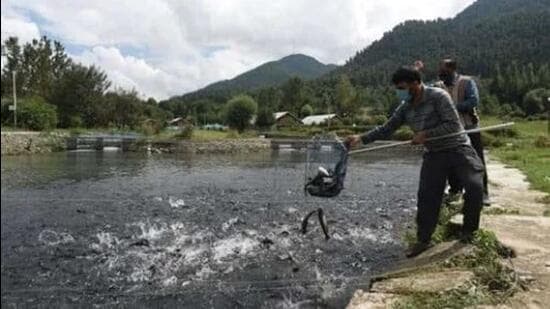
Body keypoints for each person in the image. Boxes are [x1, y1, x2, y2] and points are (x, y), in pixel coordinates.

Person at [347, 66, 484, 258]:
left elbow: (454, 125)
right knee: (427, 196)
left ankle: (468, 233)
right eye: (399, 89)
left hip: (458, 148)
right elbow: (387, 128)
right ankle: (423, 241)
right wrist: (360, 139)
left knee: (474, 186)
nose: (402, 93)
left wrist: (426, 134)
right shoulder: (406, 107)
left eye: (404, 88)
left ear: (416, 83)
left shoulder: (438, 96)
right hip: (434, 153)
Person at [437, 59, 490, 206]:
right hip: (451, 132)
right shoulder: (439, 85)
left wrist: (451, 107)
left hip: (470, 128)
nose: (440, 72)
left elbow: (473, 101)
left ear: (451, 69)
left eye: (442, 69)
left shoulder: (467, 82)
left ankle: (483, 193)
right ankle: (455, 191)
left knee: (476, 161)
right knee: (452, 162)